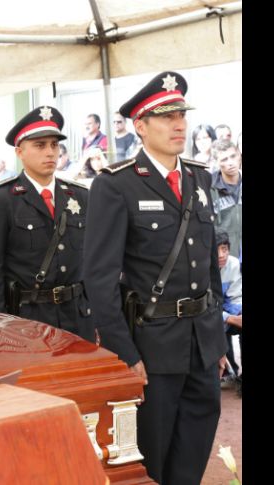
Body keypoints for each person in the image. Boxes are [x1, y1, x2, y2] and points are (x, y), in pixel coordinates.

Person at [83, 71, 227, 485]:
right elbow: (99, 275)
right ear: (141, 126)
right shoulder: (116, 185)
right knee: (154, 453)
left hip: (201, 341)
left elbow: (207, 263)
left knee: (195, 445)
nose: (179, 123)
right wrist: (123, 352)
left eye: (181, 114)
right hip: (153, 343)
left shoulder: (199, 176)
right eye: (166, 116)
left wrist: (215, 338)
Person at [0, 105, 95, 342]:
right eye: (40, 145)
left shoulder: (79, 196)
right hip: (28, 321)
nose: (50, 152)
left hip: (78, 318)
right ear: (20, 152)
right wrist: (2, 326)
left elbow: (91, 260)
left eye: (54, 145)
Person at [216, 231, 242, 394]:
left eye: (224, 249)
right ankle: (224, 372)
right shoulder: (200, 266)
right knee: (214, 326)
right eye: (216, 250)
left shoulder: (233, 265)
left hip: (225, 311)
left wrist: (238, 315)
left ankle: (239, 376)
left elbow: (235, 297)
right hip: (208, 316)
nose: (221, 255)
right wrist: (228, 318)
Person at [210, 139, 242, 258]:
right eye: (224, 159)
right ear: (216, 162)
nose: (230, 162)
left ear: (239, 154)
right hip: (224, 257)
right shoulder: (209, 188)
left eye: (233, 156)